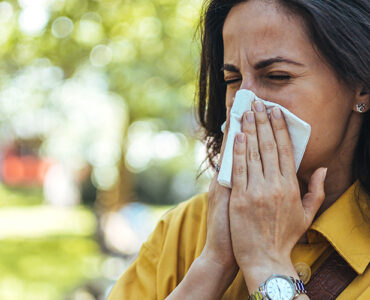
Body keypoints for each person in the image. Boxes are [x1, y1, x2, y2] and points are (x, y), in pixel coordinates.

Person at [107, 0, 370, 299]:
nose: (243, 104)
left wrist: (266, 262)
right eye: (232, 80)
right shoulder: (185, 229)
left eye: (277, 76)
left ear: (361, 85)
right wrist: (213, 264)